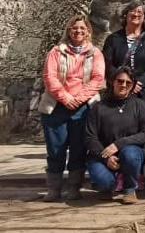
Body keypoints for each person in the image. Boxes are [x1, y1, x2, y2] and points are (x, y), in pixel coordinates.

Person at [38, 14, 105, 201]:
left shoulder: (95, 53)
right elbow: (49, 77)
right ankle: (54, 189)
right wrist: (65, 97)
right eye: (75, 28)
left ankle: (74, 188)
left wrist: (78, 98)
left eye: (82, 28)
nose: (78, 31)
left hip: (83, 108)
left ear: (88, 32)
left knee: (78, 149)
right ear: (69, 30)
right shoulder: (56, 52)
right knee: (55, 149)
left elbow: (98, 79)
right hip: (57, 107)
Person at [85, 66, 145, 203]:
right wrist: (106, 157)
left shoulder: (140, 105)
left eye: (128, 83)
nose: (123, 85)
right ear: (112, 82)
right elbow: (90, 137)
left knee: (130, 153)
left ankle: (130, 189)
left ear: (133, 85)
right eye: (120, 81)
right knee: (104, 183)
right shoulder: (98, 107)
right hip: (102, 154)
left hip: (130, 154)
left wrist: (119, 144)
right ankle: (108, 186)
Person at [102, 3, 145, 116]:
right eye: (132, 11)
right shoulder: (113, 39)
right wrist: (123, 81)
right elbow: (107, 64)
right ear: (125, 15)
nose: (136, 14)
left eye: (140, 12)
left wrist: (138, 83)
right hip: (119, 90)